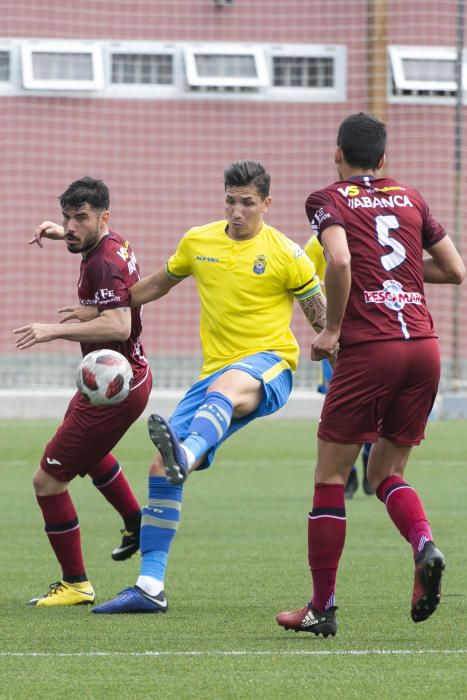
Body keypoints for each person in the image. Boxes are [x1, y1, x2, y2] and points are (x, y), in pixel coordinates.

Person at [90, 159, 329, 614]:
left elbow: (322, 322)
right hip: (213, 374)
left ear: (266, 204)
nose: (237, 212)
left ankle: (188, 453)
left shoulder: (287, 254)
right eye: (230, 201)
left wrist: (348, 371)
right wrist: (100, 306)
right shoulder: (199, 242)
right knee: (160, 470)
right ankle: (149, 586)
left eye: (247, 203)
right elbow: (156, 284)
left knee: (224, 392)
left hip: (270, 365)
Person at [276, 113, 465, 637]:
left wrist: (332, 329)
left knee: (330, 477)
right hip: (424, 350)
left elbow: (337, 262)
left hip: (371, 349)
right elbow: (454, 270)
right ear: (383, 159)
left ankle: (322, 608)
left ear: (337, 154)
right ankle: (423, 543)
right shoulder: (411, 197)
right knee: (385, 474)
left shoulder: (328, 199)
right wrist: (395, 270)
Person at [14, 177, 152, 607]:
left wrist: (54, 330)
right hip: (115, 380)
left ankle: (75, 583)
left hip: (114, 387)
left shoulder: (102, 263)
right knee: (89, 456)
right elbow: (114, 303)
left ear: (103, 218)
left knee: (48, 481)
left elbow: (118, 325)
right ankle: (136, 522)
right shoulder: (107, 245)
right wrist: (61, 234)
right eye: (66, 217)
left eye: (81, 218)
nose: (71, 225)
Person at [304, 234, 373, 498]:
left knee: (369, 403)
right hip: (337, 338)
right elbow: (303, 279)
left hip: (369, 337)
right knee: (338, 404)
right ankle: (347, 474)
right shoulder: (318, 242)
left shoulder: (368, 235)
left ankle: (368, 457)